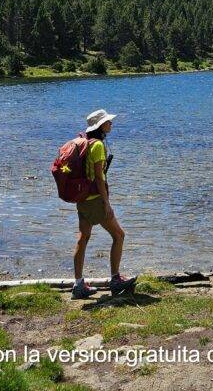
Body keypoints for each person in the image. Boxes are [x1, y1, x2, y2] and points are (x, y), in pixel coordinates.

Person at [72, 109, 135, 298]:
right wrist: (106, 203)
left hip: (82, 199)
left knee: (82, 239)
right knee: (119, 235)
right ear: (100, 126)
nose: (111, 124)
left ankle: (78, 285)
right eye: (108, 122)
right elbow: (99, 178)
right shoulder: (98, 145)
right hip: (95, 200)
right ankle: (115, 280)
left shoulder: (84, 142)